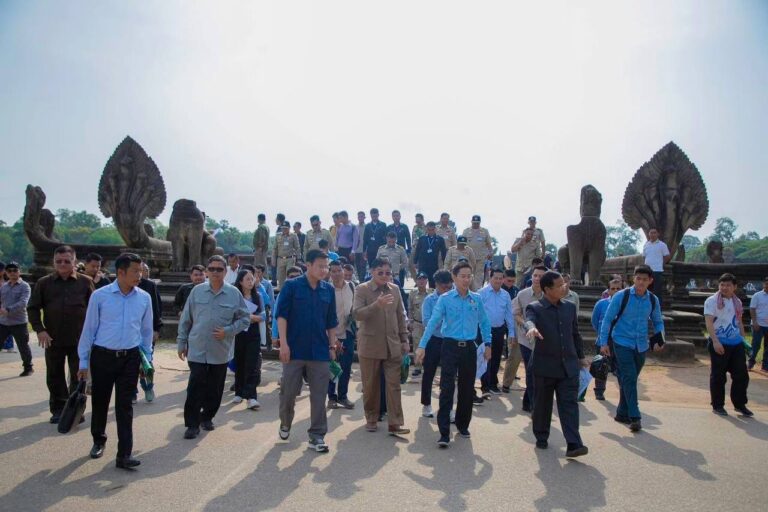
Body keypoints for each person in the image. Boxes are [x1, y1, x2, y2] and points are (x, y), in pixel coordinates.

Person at [77, 253, 153, 469]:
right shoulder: (100, 296)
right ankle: (98, 440)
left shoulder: (144, 298)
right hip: (103, 356)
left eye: (141, 271)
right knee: (100, 402)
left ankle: (124, 454)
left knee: (125, 406)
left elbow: (146, 331)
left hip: (130, 358)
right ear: (120, 272)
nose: (139, 275)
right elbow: (89, 329)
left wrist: (147, 360)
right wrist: (83, 362)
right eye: (135, 271)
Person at [416, 261, 491, 448]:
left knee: (467, 388)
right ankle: (443, 432)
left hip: (469, 348)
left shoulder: (476, 299)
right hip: (449, 346)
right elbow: (432, 322)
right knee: (447, 387)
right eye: (462, 276)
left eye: (469, 276)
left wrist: (488, 344)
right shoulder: (445, 299)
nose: (466, 280)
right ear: (454, 278)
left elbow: (484, 322)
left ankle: (463, 425)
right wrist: (422, 345)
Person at [177, 255, 250, 440]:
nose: (215, 272)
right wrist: (181, 342)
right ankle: (192, 424)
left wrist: (228, 331)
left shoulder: (234, 293)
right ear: (207, 271)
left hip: (220, 350)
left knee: (215, 388)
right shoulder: (197, 292)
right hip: (197, 348)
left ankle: (207, 416)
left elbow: (245, 319)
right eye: (212, 269)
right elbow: (186, 319)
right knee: (195, 386)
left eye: (219, 269)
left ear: (225, 272)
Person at [276, 249, 339, 453]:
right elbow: (282, 316)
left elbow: (331, 321)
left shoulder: (328, 290)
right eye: (320, 266)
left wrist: (332, 346)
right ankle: (285, 422)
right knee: (288, 392)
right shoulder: (292, 286)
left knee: (319, 395)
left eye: (326, 266)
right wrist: (283, 344)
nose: (324, 270)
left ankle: (317, 435)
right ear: (308, 265)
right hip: (294, 350)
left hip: (319, 351)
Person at [524, 270, 588, 457]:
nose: (564, 287)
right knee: (542, 406)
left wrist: (581, 357)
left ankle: (574, 444)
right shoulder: (535, 308)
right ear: (547, 289)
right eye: (559, 285)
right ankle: (541, 436)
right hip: (544, 366)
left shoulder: (569, 307)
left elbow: (575, 334)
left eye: (564, 284)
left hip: (568, 366)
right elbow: (529, 321)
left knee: (569, 405)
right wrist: (532, 329)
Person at [28, 245, 95, 423]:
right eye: (59, 261)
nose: (63, 264)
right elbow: (33, 308)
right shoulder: (44, 283)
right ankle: (58, 409)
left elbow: (95, 310)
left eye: (67, 261)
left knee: (78, 376)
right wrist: (40, 330)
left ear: (74, 261)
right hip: (52, 338)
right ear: (53, 262)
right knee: (54, 375)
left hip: (79, 339)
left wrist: (94, 335)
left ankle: (75, 410)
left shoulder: (85, 282)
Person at [598, 265, 665, 432]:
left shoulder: (653, 300)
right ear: (633, 279)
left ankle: (622, 412)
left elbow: (658, 321)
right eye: (638, 278)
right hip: (621, 342)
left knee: (628, 379)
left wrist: (660, 340)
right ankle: (635, 416)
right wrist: (603, 342)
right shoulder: (622, 296)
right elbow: (607, 319)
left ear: (650, 281)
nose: (641, 282)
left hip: (641, 345)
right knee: (629, 377)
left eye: (644, 279)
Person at [353, 257, 410, 436]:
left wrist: (404, 339)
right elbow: (357, 315)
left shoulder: (395, 289)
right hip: (370, 345)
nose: (385, 276)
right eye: (380, 272)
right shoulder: (362, 289)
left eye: (388, 273)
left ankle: (395, 423)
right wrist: (376, 305)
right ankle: (371, 418)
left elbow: (400, 316)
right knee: (371, 386)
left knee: (394, 385)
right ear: (372, 272)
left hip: (392, 344)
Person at [705, 273, 752, 417]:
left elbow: (739, 322)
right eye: (722, 285)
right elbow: (709, 322)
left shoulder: (737, 302)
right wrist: (715, 341)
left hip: (736, 342)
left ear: (735, 287)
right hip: (719, 341)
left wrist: (744, 341)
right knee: (718, 376)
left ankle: (740, 404)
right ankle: (718, 405)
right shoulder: (712, 301)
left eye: (728, 285)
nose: (724, 288)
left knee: (741, 375)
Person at [506, 266, 546, 408]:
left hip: (543, 339)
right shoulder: (522, 294)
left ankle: (528, 401)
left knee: (539, 370)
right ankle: (532, 403)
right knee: (531, 369)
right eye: (535, 275)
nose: (537, 278)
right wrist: (526, 324)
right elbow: (516, 314)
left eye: (541, 276)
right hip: (525, 338)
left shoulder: (549, 295)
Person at [417, 270, 452, 418]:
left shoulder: (454, 298)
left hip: (450, 341)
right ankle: (426, 404)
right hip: (433, 340)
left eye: (449, 287)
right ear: (436, 284)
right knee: (429, 373)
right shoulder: (429, 300)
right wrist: (443, 321)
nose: (447, 290)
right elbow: (426, 321)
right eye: (444, 287)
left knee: (449, 375)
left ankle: (447, 407)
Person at [479, 268, 516, 396]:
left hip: (499, 329)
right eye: (496, 278)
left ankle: (493, 384)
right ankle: (485, 386)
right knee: (486, 358)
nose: (498, 281)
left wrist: (511, 332)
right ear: (490, 278)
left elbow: (509, 315)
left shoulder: (505, 295)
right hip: (485, 330)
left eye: (501, 278)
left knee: (496, 357)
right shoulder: (481, 293)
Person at [232, 269, 264, 410]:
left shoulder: (258, 296)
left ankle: (251, 396)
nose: (251, 282)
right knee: (239, 362)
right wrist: (248, 317)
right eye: (248, 279)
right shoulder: (235, 296)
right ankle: (239, 391)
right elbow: (232, 315)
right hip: (239, 333)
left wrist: (250, 317)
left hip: (253, 334)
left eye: (252, 279)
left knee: (252, 364)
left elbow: (263, 315)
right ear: (240, 281)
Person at [327, 260, 356, 410]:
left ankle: (343, 396)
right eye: (334, 271)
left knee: (346, 367)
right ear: (329, 273)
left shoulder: (352, 286)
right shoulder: (327, 289)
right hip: (332, 334)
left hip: (348, 333)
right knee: (332, 366)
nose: (337, 274)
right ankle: (331, 397)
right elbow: (324, 316)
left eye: (339, 270)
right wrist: (333, 339)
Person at [590, 278, 623, 400]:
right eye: (613, 289)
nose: (616, 291)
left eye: (618, 289)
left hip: (621, 341)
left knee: (621, 368)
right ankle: (599, 391)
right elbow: (594, 321)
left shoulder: (626, 305)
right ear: (608, 291)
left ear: (623, 290)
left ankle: (623, 393)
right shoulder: (601, 304)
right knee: (601, 366)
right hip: (603, 341)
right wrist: (601, 334)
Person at [135, 263, 162, 403]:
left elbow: (156, 308)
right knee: (130, 364)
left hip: (146, 332)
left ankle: (148, 386)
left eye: (143, 270)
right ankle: (132, 391)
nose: (141, 273)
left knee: (147, 362)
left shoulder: (150, 286)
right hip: (129, 333)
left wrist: (156, 328)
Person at [0, 262, 32, 376]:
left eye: (15, 270)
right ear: (6, 273)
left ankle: (28, 367)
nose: (12, 273)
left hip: (19, 322)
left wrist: (8, 309)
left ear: (19, 271)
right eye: (9, 271)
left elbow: (23, 303)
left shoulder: (25, 286)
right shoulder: (4, 286)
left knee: (23, 346)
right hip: (3, 322)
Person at [462, 215, 493, 291]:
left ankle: (477, 291)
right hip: (468, 258)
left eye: (477, 223)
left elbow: (489, 244)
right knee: (468, 274)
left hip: (480, 258)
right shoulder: (466, 231)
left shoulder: (484, 231)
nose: (476, 224)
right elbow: (461, 244)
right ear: (471, 222)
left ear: (480, 222)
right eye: (474, 222)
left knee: (479, 275)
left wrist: (491, 253)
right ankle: (467, 289)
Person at [408, 272, 430, 377]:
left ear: (427, 281)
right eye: (419, 279)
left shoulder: (431, 293)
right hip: (417, 323)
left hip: (429, 325)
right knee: (417, 344)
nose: (422, 281)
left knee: (429, 345)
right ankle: (417, 367)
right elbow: (410, 309)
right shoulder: (412, 294)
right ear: (416, 281)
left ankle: (428, 366)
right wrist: (410, 321)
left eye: (424, 279)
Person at [413, 222, 448, 288]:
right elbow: (417, 250)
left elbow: (444, 252)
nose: (431, 231)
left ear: (435, 229)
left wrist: (445, 263)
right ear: (426, 229)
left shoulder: (440, 239)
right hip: (423, 265)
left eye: (432, 230)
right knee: (421, 283)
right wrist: (415, 262)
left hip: (434, 265)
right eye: (429, 230)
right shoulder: (422, 239)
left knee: (433, 285)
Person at [642, 228, 671, 307]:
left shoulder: (662, 245)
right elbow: (644, 257)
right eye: (651, 233)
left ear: (658, 234)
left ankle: (657, 310)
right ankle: (647, 308)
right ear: (649, 234)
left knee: (657, 292)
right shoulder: (646, 245)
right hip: (647, 271)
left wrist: (661, 264)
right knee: (646, 291)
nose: (652, 234)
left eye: (654, 233)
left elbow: (667, 256)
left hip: (657, 271)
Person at [748, 277, 768, 373]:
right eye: (767, 283)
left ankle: (765, 366)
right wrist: (755, 322)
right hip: (758, 324)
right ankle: (750, 363)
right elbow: (752, 309)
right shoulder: (757, 295)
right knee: (756, 345)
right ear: (764, 284)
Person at [274, 221, 301, 288]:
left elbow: (297, 248)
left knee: (290, 275)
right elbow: (275, 249)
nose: (284, 230)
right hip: (280, 259)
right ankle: (281, 290)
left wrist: (298, 258)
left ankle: (291, 290)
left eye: (286, 228)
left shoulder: (293, 236)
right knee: (280, 277)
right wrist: (273, 259)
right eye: (283, 228)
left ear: (289, 228)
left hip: (290, 259)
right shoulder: (278, 236)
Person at [354, 211, 367, 281]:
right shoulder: (355, 227)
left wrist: (366, 250)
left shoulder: (367, 227)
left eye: (362, 216)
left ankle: (362, 282)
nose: (360, 218)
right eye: (359, 217)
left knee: (363, 268)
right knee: (358, 268)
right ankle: (360, 282)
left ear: (364, 217)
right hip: (356, 251)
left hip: (364, 251)